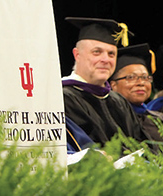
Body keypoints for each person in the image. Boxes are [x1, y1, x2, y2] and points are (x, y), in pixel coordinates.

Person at [61, 17, 146, 146]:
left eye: (111, 54)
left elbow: (141, 143)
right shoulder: (64, 98)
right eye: (97, 52)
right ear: (77, 55)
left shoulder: (120, 101)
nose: (105, 59)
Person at [108, 43, 163, 143]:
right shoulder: (109, 120)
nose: (141, 83)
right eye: (131, 77)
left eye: (145, 77)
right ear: (113, 85)